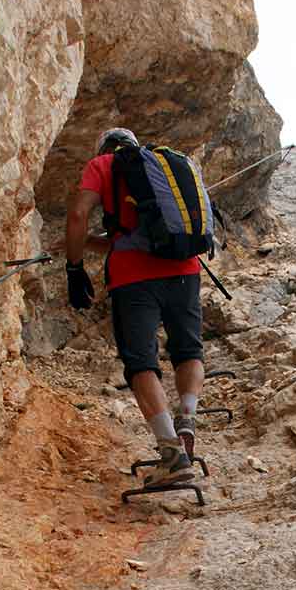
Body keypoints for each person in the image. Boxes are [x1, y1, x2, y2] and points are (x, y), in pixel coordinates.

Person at [64, 127, 204, 488]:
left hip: (133, 281)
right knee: (187, 349)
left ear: (104, 148)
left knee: (141, 362)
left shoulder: (103, 165)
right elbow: (123, 239)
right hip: (185, 269)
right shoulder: (167, 168)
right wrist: (79, 244)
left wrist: (73, 266)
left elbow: (79, 215)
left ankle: (172, 455)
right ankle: (186, 419)